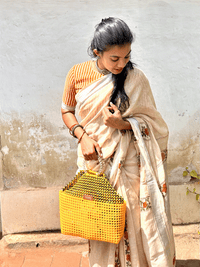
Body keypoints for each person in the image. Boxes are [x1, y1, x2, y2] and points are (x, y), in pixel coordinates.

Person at [61, 17, 175, 267]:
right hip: (95, 163)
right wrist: (83, 137)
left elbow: (155, 125)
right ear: (97, 52)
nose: (122, 63)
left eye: (126, 57)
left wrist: (123, 124)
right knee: (100, 221)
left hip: (130, 164)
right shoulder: (77, 74)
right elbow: (66, 110)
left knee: (134, 221)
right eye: (115, 58)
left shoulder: (137, 78)